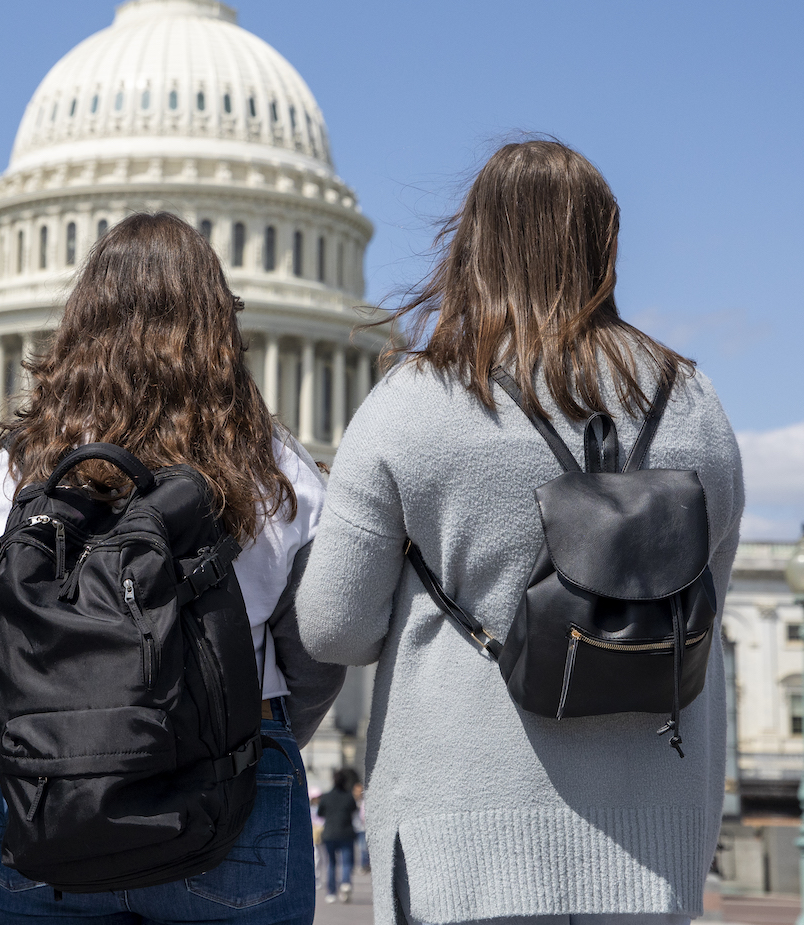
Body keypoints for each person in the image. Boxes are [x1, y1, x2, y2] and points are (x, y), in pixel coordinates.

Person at [298, 139, 745, 925]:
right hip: (655, 840)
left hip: (462, 834)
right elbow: (706, 592)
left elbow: (332, 625)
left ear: (470, 248)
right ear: (604, 246)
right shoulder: (695, 401)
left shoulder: (414, 401)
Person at [0, 211, 338, 925]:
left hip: (51, 792)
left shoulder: (17, 465)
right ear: (219, 328)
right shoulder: (277, 470)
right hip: (233, 785)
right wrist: (261, 725)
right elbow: (317, 653)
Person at [315, 769, 359, 904]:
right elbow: (354, 811)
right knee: (346, 862)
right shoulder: (349, 796)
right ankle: (345, 883)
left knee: (331, 863)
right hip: (346, 832)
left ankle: (331, 892)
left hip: (329, 833)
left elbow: (320, 813)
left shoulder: (326, 796)